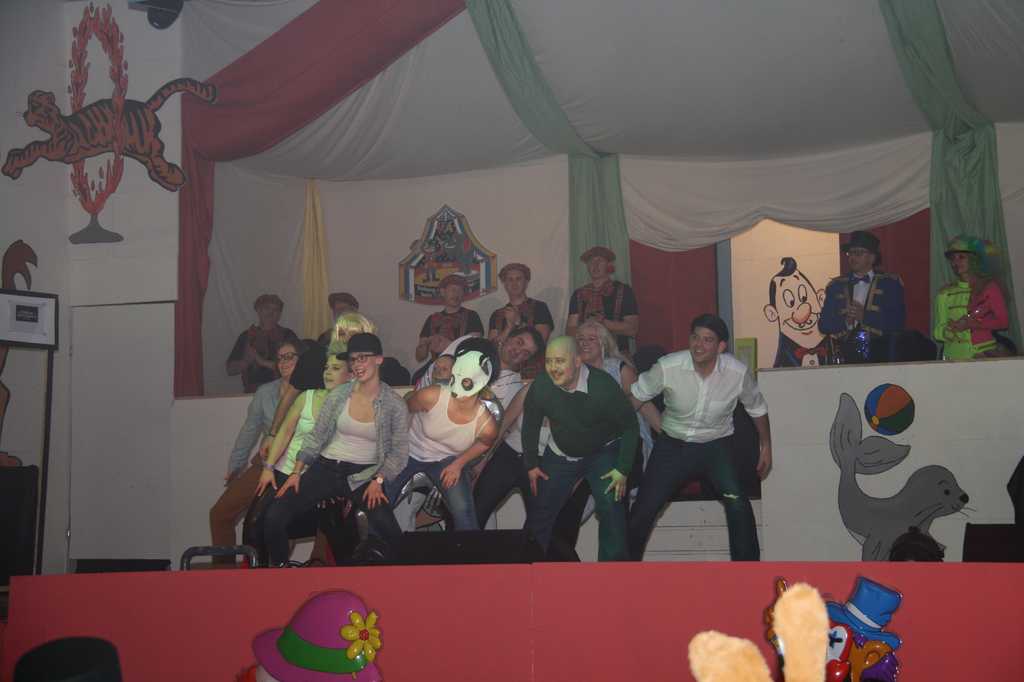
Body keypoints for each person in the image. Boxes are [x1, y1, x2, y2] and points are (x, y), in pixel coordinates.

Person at [628, 314, 771, 562]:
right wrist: (615, 434)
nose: (698, 345)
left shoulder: (737, 373)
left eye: (707, 340)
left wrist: (766, 445)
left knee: (738, 504)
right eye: (695, 337)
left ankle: (747, 572)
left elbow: (757, 408)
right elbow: (635, 398)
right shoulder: (668, 367)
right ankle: (621, 571)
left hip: (716, 447)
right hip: (673, 446)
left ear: (721, 346)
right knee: (644, 508)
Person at [263, 333, 406, 566]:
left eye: (363, 358)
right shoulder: (339, 395)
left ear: (379, 359)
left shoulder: (393, 404)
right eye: (353, 359)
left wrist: (378, 480)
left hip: (363, 475)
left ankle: (397, 582)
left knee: (391, 534)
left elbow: (399, 451)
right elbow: (316, 437)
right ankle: (282, 572)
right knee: (273, 517)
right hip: (327, 468)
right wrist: (296, 472)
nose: (357, 364)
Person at [522, 336, 639, 561]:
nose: (553, 368)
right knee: (541, 510)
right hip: (561, 453)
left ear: (577, 361)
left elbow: (630, 427)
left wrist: (623, 469)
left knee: (610, 505)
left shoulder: (602, 386)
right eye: (549, 361)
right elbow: (531, 423)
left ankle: (614, 571)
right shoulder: (542, 385)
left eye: (560, 361)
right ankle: (528, 568)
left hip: (602, 451)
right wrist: (531, 464)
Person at [245, 348, 351, 565]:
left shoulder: (352, 406)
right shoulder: (307, 396)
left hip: (318, 478)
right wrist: (268, 468)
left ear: (350, 376)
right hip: (286, 471)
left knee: (334, 527)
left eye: (335, 368)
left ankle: (343, 572)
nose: (327, 372)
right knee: (256, 525)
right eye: (326, 368)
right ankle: (276, 571)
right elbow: (285, 432)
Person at [388, 338, 500, 530]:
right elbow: (403, 412)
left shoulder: (486, 424)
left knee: (465, 513)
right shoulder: (431, 395)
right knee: (378, 501)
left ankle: (468, 550)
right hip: (410, 451)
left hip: (445, 460)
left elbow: (485, 443)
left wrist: (458, 464)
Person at [209, 340, 299, 565]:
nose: (283, 362)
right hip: (266, 463)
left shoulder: (314, 391)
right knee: (220, 514)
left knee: (286, 522)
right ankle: (224, 574)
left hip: (299, 466)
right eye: (280, 358)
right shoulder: (265, 392)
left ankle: (319, 570)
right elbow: (249, 430)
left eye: (290, 356)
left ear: (302, 360)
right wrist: (235, 464)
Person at [471, 327, 544, 528]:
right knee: (473, 515)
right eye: (519, 342)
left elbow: (500, 429)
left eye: (526, 353)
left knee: (538, 524)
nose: (519, 352)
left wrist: (479, 463)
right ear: (508, 338)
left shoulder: (517, 388)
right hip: (449, 450)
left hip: (521, 460)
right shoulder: (473, 364)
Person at [819, 231, 906, 347]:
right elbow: (823, 326)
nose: (852, 257)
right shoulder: (835, 286)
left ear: (872, 257)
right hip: (845, 351)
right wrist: (846, 321)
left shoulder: (890, 284)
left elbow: (897, 323)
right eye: (850, 253)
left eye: (859, 253)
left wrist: (864, 316)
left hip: (880, 351)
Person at [934, 235, 1010, 360]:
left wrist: (974, 324)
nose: (955, 262)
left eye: (961, 257)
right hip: (952, 357)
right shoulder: (945, 293)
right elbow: (938, 331)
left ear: (974, 260)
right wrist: (949, 332)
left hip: (983, 354)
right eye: (952, 258)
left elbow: (1003, 322)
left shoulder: (989, 287)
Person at [566, 246, 639, 354]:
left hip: (617, 354)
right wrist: (588, 328)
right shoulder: (578, 294)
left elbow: (633, 329)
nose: (595, 265)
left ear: (608, 265)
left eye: (600, 261)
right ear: (587, 266)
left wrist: (602, 323)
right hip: (585, 354)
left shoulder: (624, 291)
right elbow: (570, 330)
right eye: (591, 261)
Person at [763, 257, 833, 367]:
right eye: (790, 302)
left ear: (821, 299)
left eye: (804, 298)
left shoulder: (834, 352)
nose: (802, 315)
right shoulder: (781, 366)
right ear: (772, 313)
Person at [488, 263, 553, 378]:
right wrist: (509, 328)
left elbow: (540, 342)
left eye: (518, 279)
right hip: (501, 374)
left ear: (526, 282)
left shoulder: (540, 307)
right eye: (510, 280)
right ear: (504, 284)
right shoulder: (497, 314)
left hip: (533, 374)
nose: (514, 283)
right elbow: (491, 348)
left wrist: (519, 322)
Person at [226, 294, 300, 393]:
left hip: (281, 392)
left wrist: (261, 361)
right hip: (252, 392)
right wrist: (246, 362)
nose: (271, 313)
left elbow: (297, 367)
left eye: (276, 310)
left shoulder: (288, 335)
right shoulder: (246, 336)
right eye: (267, 308)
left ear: (280, 314)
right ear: (258, 310)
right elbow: (230, 370)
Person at [415, 274, 484, 363]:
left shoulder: (472, 316)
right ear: (443, 292)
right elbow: (419, 357)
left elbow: (475, 347)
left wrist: (448, 345)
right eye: (453, 290)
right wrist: (425, 345)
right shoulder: (432, 318)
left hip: (461, 365)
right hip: (437, 365)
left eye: (460, 291)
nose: (456, 294)